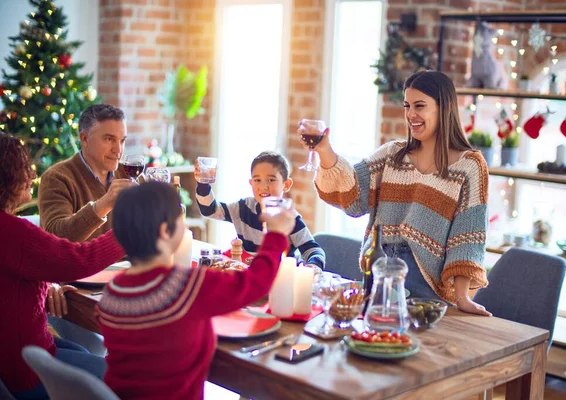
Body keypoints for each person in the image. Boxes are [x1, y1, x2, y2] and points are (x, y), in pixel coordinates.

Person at [301, 70, 492, 316]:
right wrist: (324, 150)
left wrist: (463, 298)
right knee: (372, 342)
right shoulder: (393, 155)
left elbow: (466, 238)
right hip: (379, 273)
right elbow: (353, 196)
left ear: (443, 108)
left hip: (427, 287)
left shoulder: (469, 166)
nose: (411, 114)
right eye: (407, 106)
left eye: (420, 106)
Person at [97, 181, 295, 399]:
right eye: (179, 214)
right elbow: (255, 282)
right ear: (165, 231)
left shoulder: (112, 293)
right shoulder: (184, 286)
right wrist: (276, 235)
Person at [0, 133, 125, 399]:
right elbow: (78, 260)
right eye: (23, 166)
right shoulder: (11, 231)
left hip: (15, 356)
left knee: (84, 353)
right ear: (8, 174)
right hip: (22, 371)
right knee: (126, 380)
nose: (31, 174)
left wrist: (45, 285)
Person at [195, 150, 325, 272]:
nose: (263, 187)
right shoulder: (242, 208)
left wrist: (312, 267)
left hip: (278, 280)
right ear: (251, 183)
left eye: (271, 180)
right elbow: (210, 210)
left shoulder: (290, 218)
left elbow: (313, 250)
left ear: (286, 185)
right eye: (257, 180)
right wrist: (203, 184)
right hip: (249, 278)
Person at [38, 103, 136, 242]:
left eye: (122, 141)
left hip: (129, 263)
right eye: (109, 139)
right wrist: (104, 204)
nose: (118, 150)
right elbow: (56, 238)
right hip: (76, 264)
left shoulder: (127, 173)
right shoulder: (56, 178)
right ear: (84, 139)